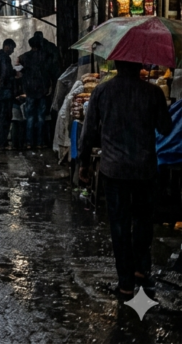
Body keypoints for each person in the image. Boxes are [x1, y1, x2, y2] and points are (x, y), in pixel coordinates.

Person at [79, 60, 171, 300]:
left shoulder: (102, 91)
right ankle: (141, 270)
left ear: (117, 65)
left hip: (114, 170)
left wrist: (84, 164)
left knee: (119, 226)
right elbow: (165, 128)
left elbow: (88, 131)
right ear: (139, 65)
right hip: (144, 168)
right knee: (143, 221)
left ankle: (126, 284)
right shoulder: (152, 92)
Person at [19, 37, 51, 150]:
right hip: (42, 91)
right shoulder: (44, 56)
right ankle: (39, 143)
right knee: (41, 117)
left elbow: (18, 62)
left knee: (30, 118)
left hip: (30, 91)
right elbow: (48, 72)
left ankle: (28, 143)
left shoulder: (26, 56)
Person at [0, 39, 17, 150]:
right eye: (12, 48)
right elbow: (6, 74)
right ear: (7, 46)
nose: (12, 51)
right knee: (4, 118)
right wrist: (14, 74)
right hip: (5, 93)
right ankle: (2, 142)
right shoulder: (5, 58)